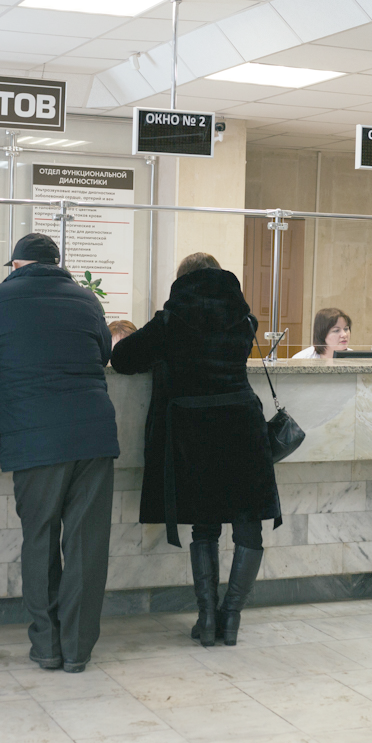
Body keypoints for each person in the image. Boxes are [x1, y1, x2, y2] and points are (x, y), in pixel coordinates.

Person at [0, 232, 119, 673]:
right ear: (58, 263)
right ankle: (78, 649)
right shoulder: (87, 300)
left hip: (34, 439)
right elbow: (105, 352)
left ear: (16, 265)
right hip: (92, 436)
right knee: (87, 546)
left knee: (40, 540)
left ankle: (47, 646)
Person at [111, 252, 281, 646]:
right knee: (248, 523)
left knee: (205, 523)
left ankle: (206, 619)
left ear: (183, 280)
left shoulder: (171, 320)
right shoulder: (245, 318)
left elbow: (122, 359)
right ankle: (231, 618)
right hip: (243, 427)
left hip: (195, 432)